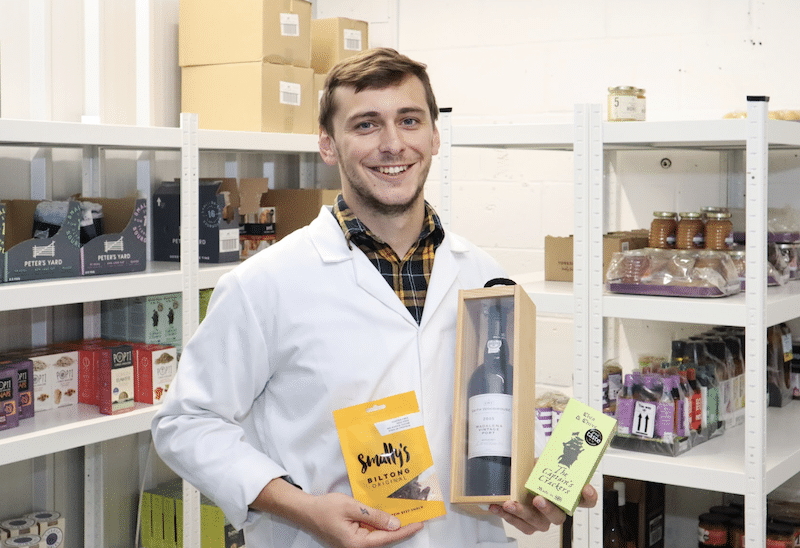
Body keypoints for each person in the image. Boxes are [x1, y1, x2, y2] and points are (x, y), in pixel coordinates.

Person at [151, 47, 596, 548]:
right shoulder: (265, 285)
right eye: (365, 125)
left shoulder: (484, 278)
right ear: (327, 144)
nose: (393, 144)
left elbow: (489, 411)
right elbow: (185, 423)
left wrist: (534, 484)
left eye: (409, 120)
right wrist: (301, 508)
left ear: (434, 135)